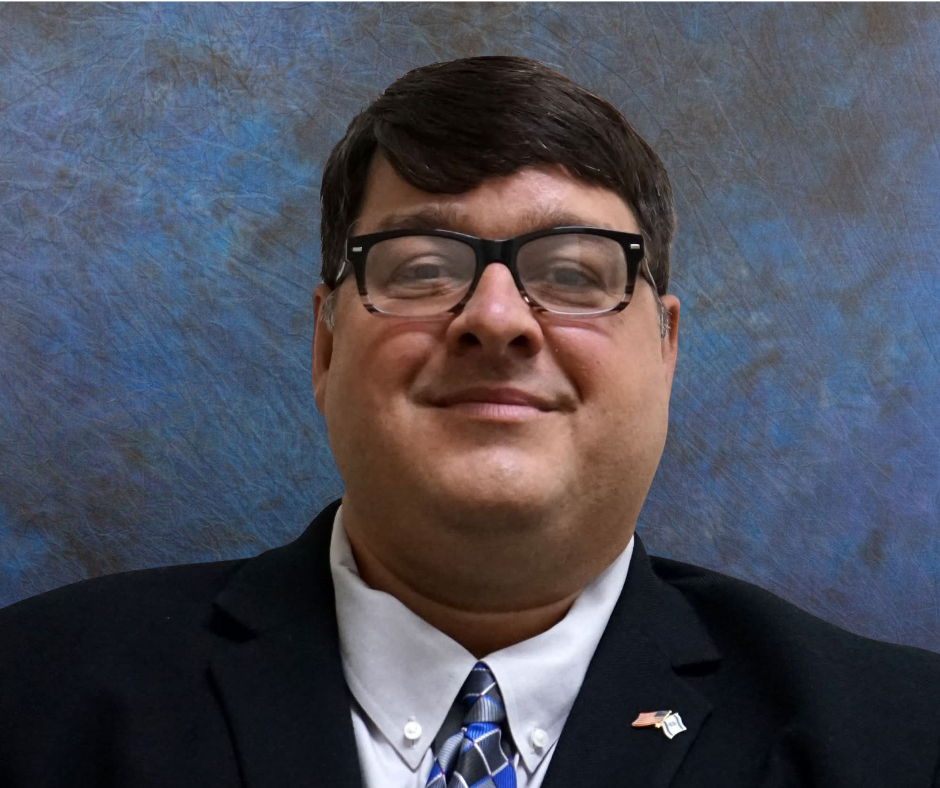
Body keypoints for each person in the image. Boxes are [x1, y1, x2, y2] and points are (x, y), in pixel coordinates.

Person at [1, 55, 939, 788]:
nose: (496, 318)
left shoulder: (902, 740)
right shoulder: (33, 697)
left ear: (666, 347)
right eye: (421, 268)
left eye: (572, 273)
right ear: (325, 345)